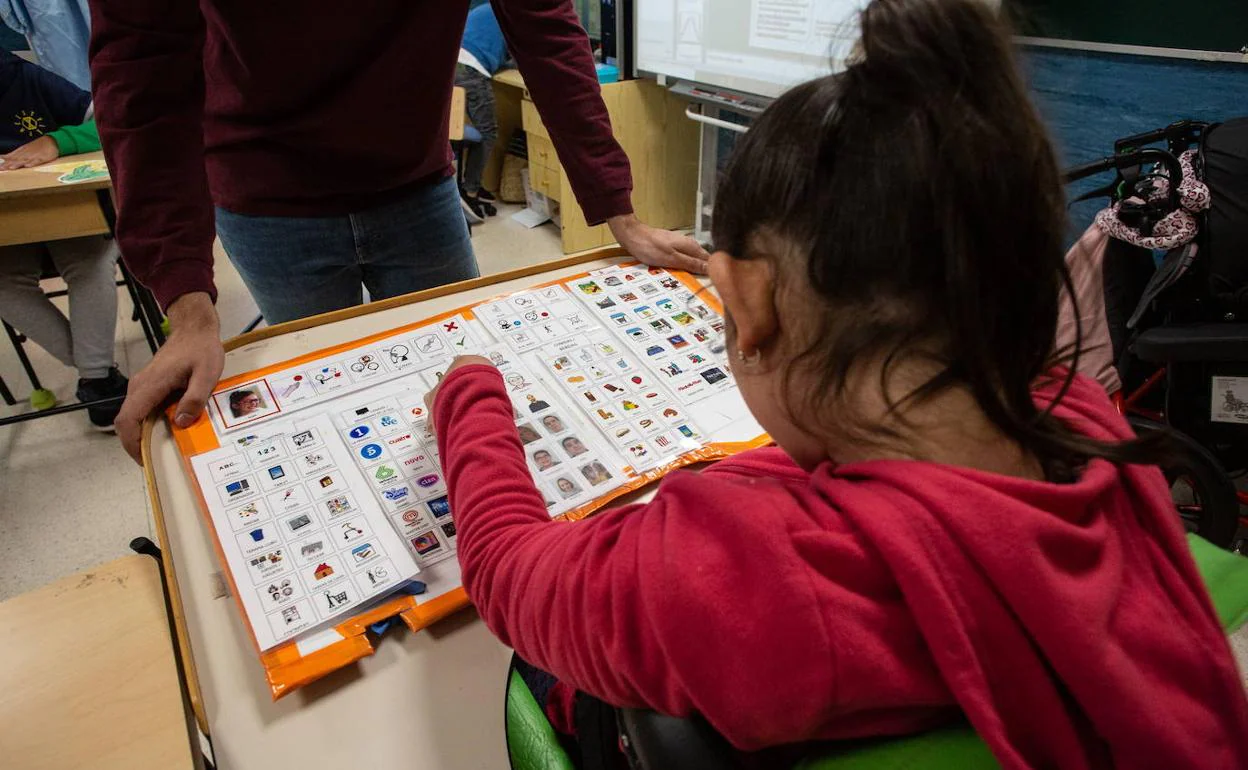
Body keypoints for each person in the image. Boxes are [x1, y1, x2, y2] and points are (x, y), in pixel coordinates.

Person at [424, 0, 1248, 765]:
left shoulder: (739, 580)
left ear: (745, 301)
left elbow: (505, 569)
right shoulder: (1086, 417)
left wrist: (469, 402)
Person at [88, 1, 709, 463]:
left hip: (416, 184)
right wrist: (188, 304)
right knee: (330, 410)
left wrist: (617, 210)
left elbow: (546, 31)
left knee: (462, 384)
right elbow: (140, 76)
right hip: (266, 197)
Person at [0, 49, 127, 431]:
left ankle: (95, 376)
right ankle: (98, 371)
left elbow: (112, 122)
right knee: (3, 283)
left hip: (70, 213)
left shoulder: (24, 78)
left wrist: (58, 141)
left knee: (89, 263)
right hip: (6, 231)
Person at [455, 4, 505, 219]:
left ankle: (470, 184)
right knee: (488, 132)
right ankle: (470, 190)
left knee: (482, 129)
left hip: (456, 65)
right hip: (472, 69)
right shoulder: (516, 12)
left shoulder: (489, 8)